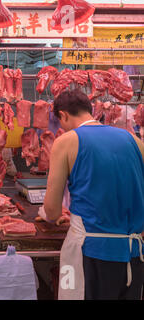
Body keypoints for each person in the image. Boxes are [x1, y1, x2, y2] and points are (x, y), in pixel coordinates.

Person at [41, 89, 143, 300]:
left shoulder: (66, 142)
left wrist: (51, 215)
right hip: (133, 254)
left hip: (89, 254)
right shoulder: (135, 141)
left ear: (63, 115)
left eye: (60, 122)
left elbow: (51, 209)